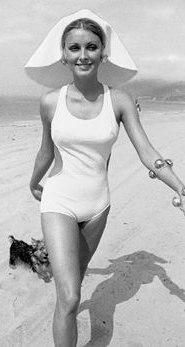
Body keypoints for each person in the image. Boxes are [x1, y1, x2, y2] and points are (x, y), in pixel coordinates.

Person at [25, 9, 185, 347]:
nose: (83, 55)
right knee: (69, 298)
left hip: (98, 206)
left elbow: (148, 153)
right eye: (74, 48)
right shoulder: (50, 102)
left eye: (91, 47)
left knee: (76, 281)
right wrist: (33, 182)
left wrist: (181, 187)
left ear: (103, 53)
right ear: (64, 55)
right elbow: (45, 151)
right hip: (59, 201)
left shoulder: (121, 100)